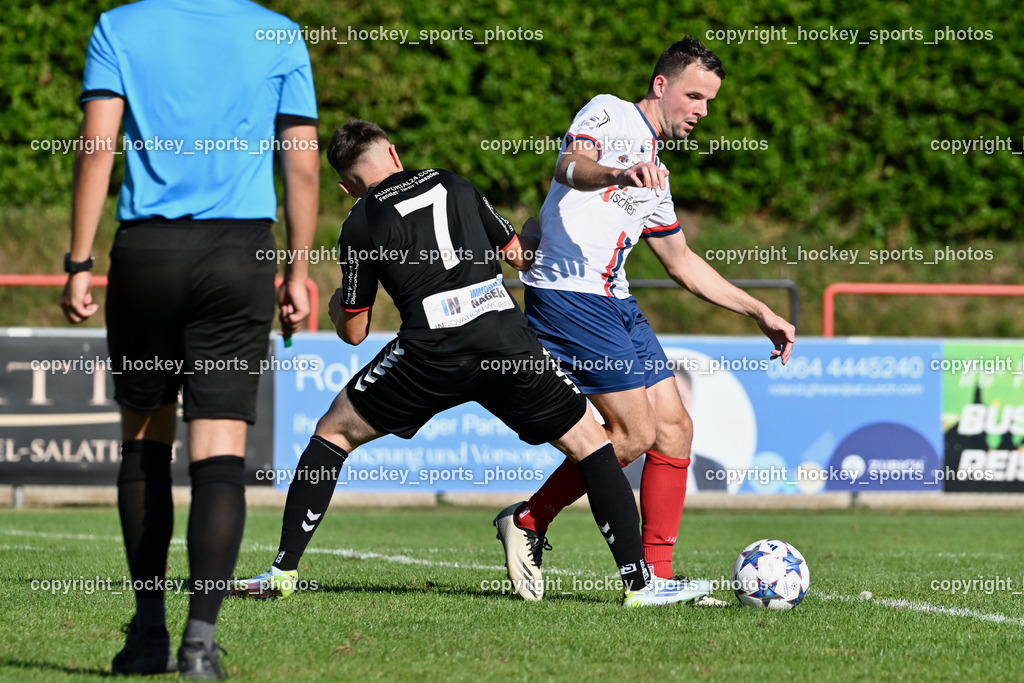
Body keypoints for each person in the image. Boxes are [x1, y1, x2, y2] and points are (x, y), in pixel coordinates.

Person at [230, 119, 711, 609]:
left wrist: (337, 305)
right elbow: (521, 257)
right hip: (503, 337)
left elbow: (353, 330)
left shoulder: (360, 222)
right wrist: (533, 228)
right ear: (393, 153)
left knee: (333, 433)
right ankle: (638, 583)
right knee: (593, 444)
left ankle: (282, 571)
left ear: (346, 185)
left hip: (431, 352)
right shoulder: (453, 183)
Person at [60, 1, 319, 677]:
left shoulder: (120, 26)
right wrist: (297, 267)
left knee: (145, 439)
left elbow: (96, 148)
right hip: (241, 255)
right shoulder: (279, 33)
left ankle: (147, 633)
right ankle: (199, 643)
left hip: (148, 253)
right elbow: (303, 166)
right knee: (221, 448)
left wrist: (79, 261)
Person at [492, 35, 795, 599]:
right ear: (662, 86)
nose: (703, 112)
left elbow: (681, 262)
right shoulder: (609, 113)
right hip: (569, 297)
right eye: (695, 97)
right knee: (631, 436)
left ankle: (658, 575)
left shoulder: (657, 172)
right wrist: (616, 172)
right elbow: (569, 166)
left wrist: (758, 310)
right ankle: (529, 520)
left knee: (675, 430)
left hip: (617, 302)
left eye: (710, 102)